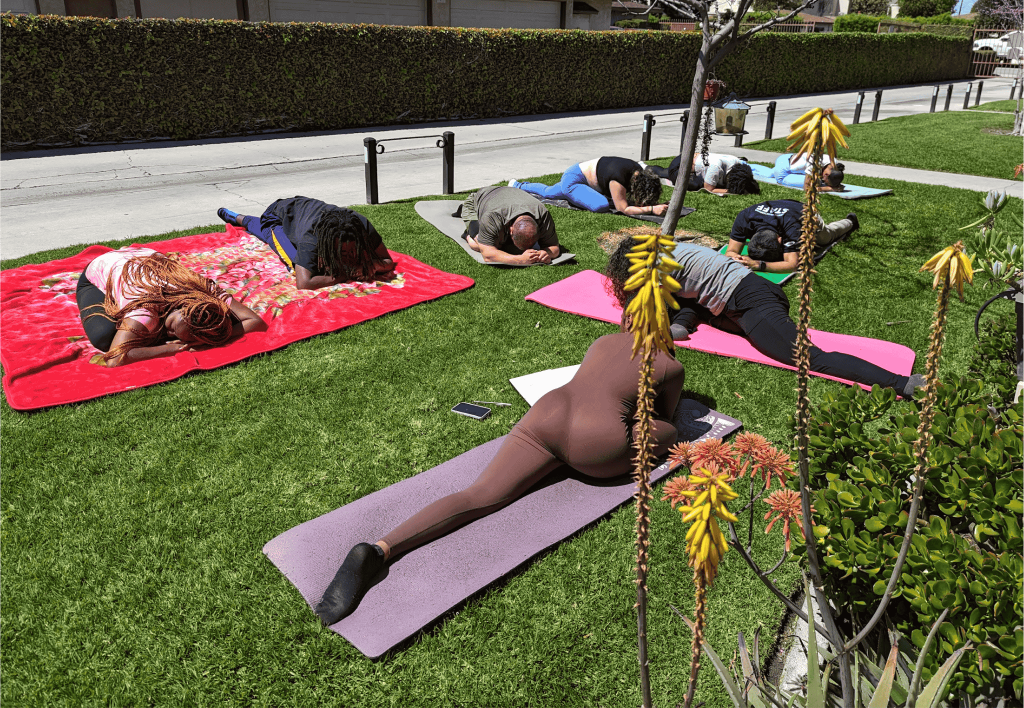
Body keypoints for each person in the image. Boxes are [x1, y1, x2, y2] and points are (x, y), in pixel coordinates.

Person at [313, 331, 685, 625]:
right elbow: (667, 416)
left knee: (479, 493)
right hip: (598, 445)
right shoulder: (671, 366)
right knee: (669, 430)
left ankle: (381, 549)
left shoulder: (603, 341)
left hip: (549, 413)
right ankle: (379, 551)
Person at [606, 238, 925, 397]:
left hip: (751, 301)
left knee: (807, 357)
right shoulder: (669, 251)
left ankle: (904, 384)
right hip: (741, 296)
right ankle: (684, 322)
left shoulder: (656, 270)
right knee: (680, 299)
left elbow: (640, 311)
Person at [76, 247, 267, 367]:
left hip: (146, 256)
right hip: (104, 265)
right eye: (171, 330)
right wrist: (172, 349)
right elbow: (114, 358)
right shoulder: (145, 309)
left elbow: (255, 321)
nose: (169, 336)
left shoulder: (204, 292)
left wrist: (208, 339)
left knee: (125, 338)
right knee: (104, 338)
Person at [217, 197, 396, 290]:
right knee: (292, 259)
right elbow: (304, 283)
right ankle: (241, 219)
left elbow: (387, 262)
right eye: (342, 253)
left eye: (353, 252)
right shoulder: (313, 236)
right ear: (327, 245)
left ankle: (242, 218)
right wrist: (344, 275)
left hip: (303, 210)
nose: (349, 258)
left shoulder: (362, 226)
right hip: (278, 215)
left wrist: (371, 266)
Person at [725, 200, 859, 274]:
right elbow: (730, 252)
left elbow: (793, 265)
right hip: (782, 211)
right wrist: (735, 257)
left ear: (780, 239)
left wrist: (759, 264)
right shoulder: (744, 218)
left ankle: (850, 222)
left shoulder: (791, 229)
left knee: (826, 238)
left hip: (804, 213)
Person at [509, 157, 668, 217]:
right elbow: (623, 209)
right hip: (574, 179)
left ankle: (517, 185)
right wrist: (652, 209)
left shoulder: (637, 171)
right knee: (602, 205)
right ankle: (517, 185)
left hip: (581, 176)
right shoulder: (618, 179)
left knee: (548, 192)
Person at [458, 186, 561, 265]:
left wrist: (546, 253)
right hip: (477, 200)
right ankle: (467, 233)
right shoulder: (493, 216)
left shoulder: (542, 214)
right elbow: (488, 255)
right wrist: (520, 260)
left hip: (508, 197)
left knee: (503, 246)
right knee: (477, 244)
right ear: (511, 229)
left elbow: (554, 247)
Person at [648, 153, 760, 195]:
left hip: (693, 162)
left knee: (664, 172)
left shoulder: (739, 163)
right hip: (680, 165)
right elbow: (708, 189)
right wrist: (730, 191)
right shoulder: (717, 167)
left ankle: (653, 169)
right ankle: (650, 169)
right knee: (697, 184)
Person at [771, 153, 846, 193]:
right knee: (816, 182)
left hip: (788, 157)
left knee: (769, 173)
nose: (823, 181)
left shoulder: (834, 163)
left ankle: (772, 171)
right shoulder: (814, 165)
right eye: (826, 182)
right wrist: (830, 188)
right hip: (784, 169)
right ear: (826, 175)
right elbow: (806, 188)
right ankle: (775, 172)